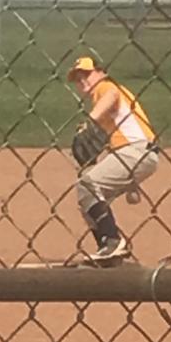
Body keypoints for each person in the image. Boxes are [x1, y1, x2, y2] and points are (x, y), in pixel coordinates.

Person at [67, 55, 160, 263]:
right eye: (78, 79)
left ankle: (112, 242)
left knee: (88, 185)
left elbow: (111, 94)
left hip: (135, 152)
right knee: (88, 196)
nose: (83, 81)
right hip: (137, 154)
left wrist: (90, 120)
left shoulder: (105, 87)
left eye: (86, 74)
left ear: (101, 71)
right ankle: (108, 249)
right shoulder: (105, 104)